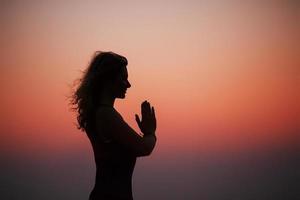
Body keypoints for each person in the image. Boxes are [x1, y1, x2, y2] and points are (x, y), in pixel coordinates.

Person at [70, 51, 157, 200]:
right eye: (123, 79)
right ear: (108, 80)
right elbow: (144, 147)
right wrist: (150, 132)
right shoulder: (106, 115)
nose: (128, 84)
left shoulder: (100, 113)